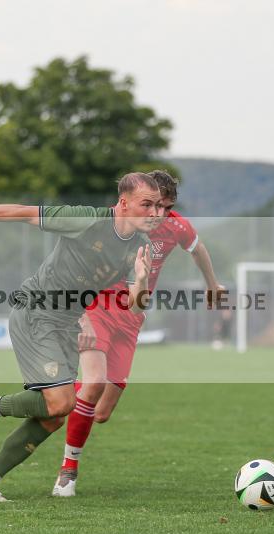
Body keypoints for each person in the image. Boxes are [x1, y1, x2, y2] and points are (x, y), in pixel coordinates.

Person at [0, 173, 160, 502]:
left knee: (55, 416)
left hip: (67, 322)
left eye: (158, 206)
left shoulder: (141, 248)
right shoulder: (86, 220)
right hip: (36, 312)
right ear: (124, 203)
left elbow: (136, 303)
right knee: (64, 402)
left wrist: (141, 279)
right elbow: (24, 212)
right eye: (147, 205)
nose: (155, 213)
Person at [52, 170, 224, 497]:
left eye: (165, 206)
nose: (158, 213)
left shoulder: (177, 226)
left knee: (100, 412)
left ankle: (58, 395)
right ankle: (67, 471)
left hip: (133, 316)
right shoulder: (127, 220)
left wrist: (212, 284)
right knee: (92, 386)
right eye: (153, 205)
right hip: (100, 304)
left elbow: (198, 250)